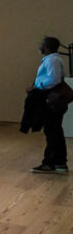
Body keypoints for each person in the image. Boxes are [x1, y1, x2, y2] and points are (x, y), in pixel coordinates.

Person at [27, 36, 68, 174]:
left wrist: (37, 86)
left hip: (51, 101)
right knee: (53, 131)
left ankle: (52, 163)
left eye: (42, 44)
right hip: (53, 101)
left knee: (52, 132)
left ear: (47, 47)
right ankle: (58, 163)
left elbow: (54, 79)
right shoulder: (53, 59)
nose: (40, 46)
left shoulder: (52, 60)